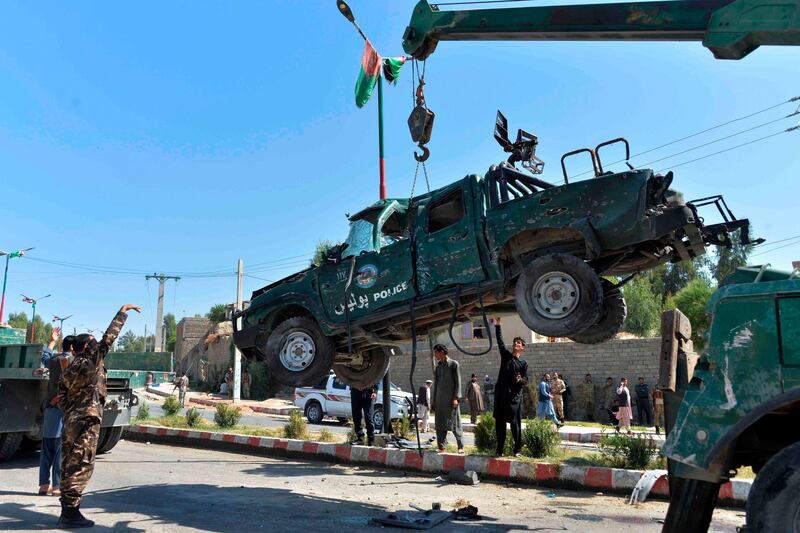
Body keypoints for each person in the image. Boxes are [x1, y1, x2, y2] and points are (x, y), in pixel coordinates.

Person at [58, 303, 140, 528]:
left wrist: (73, 412)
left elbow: (61, 397)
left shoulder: (71, 368)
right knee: (81, 463)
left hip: (72, 421)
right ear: (86, 346)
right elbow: (108, 339)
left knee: (68, 462)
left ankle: (67, 509)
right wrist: (122, 313)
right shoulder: (92, 360)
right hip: (86, 421)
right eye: (92, 343)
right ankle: (70, 514)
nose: (96, 346)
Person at [39, 328, 75, 496]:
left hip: (50, 409)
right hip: (63, 410)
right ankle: (56, 487)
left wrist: (52, 341)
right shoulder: (74, 362)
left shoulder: (54, 360)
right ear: (73, 348)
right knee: (60, 450)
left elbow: (44, 357)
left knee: (47, 448)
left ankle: (43, 485)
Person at [492, 318, 529, 456]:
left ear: (522, 347)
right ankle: (499, 450)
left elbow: (525, 380)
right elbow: (500, 342)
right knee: (500, 424)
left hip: (514, 398)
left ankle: (517, 449)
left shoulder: (523, 364)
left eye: (518, 343)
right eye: (514, 342)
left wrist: (520, 380)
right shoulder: (506, 356)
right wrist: (497, 326)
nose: (515, 344)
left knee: (515, 424)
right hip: (501, 395)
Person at [432, 344, 464, 453]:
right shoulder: (438, 367)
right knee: (440, 424)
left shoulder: (454, 364)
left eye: (436, 352)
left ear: (442, 352)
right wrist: (434, 400)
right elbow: (436, 384)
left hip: (451, 400)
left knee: (455, 423)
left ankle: (460, 447)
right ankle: (442, 447)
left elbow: (458, 382)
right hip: (440, 400)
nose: (435, 355)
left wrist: (456, 398)